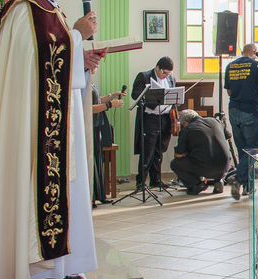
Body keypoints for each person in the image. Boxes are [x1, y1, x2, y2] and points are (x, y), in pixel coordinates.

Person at [0, 0, 105, 279]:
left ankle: (52, 269)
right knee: (38, 188)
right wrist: (77, 34)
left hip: (53, 121)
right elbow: (38, 60)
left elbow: (51, 61)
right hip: (35, 128)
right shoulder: (27, 8)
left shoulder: (46, 8)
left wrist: (81, 56)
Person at [223, 43, 258, 200]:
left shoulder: (230, 66)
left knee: (242, 151)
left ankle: (248, 186)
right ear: (254, 52)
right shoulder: (256, 65)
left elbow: (229, 91)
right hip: (250, 111)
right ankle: (238, 178)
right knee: (252, 150)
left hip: (233, 110)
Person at [131, 56, 177, 191]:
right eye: (164, 73)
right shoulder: (144, 76)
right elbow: (135, 95)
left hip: (165, 118)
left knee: (159, 150)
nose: (166, 76)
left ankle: (155, 180)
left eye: (168, 74)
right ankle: (141, 182)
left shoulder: (170, 78)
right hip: (150, 118)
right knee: (148, 150)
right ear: (157, 68)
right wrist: (150, 95)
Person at [170, 110, 233, 195]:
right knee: (217, 161)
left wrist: (188, 152)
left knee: (175, 163)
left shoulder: (187, 130)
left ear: (185, 122)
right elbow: (229, 136)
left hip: (204, 167)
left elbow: (178, 155)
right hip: (225, 165)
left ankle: (197, 184)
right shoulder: (216, 121)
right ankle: (219, 180)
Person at [91, 84, 124, 205]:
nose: (97, 66)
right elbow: (88, 107)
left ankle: (100, 195)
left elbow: (96, 100)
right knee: (92, 163)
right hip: (88, 127)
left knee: (98, 161)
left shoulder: (90, 81)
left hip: (96, 125)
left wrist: (112, 96)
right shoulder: (82, 82)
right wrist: (109, 105)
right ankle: (91, 196)